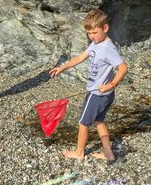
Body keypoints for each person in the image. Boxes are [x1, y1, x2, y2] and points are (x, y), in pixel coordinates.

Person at [49, 9, 128, 161]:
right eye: (88, 33)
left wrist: (111, 85)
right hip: (104, 94)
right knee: (99, 121)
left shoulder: (107, 48)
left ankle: (79, 153)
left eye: (94, 32)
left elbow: (123, 68)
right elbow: (80, 57)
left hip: (97, 94)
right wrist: (63, 67)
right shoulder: (96, 43)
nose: (91, 36)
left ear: (105, 28)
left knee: (83, 123)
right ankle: (108, 153)